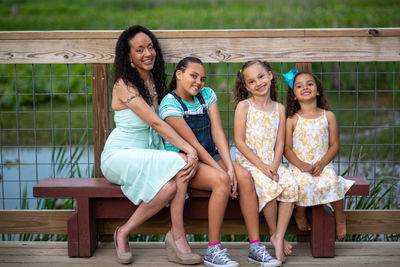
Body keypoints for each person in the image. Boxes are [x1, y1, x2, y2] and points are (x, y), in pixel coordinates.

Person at [159, 57, 281, 267]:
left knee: (244, 176)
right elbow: (193, 145)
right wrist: (224, 172)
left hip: (211, 155)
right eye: (193, 76)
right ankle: (213, 249)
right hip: (185, 160)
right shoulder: (169, 104)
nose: (199, 82)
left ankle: (255, 246)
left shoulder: (206, 95)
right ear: (179, 74)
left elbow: (217, 133)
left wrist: (231, 167)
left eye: (203, 78)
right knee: (221, 180)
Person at [100, 25, 202, 265]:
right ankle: (178, 236)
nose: (147, 53)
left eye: (150, 47)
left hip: (147, 154)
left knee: (168, 189)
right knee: (183, 160)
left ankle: (124, 232)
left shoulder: (156, 82)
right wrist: (189, 149)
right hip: (119, 155)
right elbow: (156, 122)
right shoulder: (124, 85)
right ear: (129, 56)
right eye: (139, 49)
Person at [233, 60, 298, 263]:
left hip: (273, 161)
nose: (258, 83)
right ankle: (273, 232)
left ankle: (278, 234)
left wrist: (275, 165)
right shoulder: (244, 106)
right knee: (268, 186)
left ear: (270, 75)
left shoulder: (279, 108)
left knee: (290, 184)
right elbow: (239, 142)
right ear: (246, 87)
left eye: (261, 77)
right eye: (251, 81)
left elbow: (280, 142)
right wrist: (262, 167)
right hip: (250, 161)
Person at [283, 68, 355, 241]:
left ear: (318, 90)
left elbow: (335, 144)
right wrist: (301, 165)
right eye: (299, 86)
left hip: (322, 164)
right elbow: (287, 149)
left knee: (331, 181)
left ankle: (339, 217)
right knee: (300, 182)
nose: (305, 87)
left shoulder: (328, 116)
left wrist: (322, 164)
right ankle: (299, 213)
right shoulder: (291, 119)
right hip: (299, 165)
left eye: (310, 84)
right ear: (294, 95)